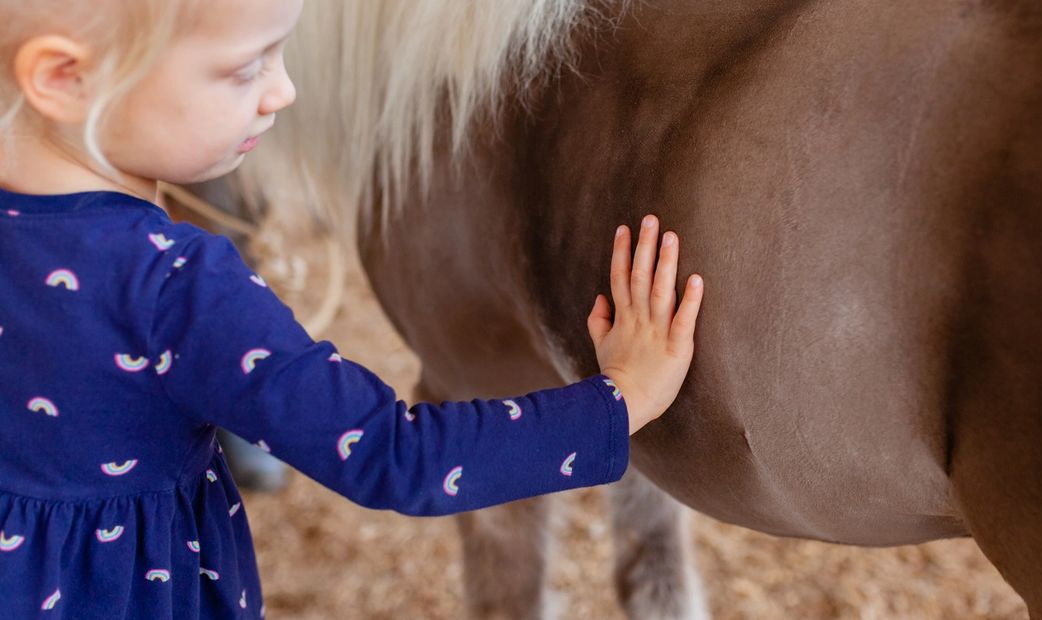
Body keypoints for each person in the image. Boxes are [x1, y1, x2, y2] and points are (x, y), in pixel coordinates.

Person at [0, 0, 705, 617]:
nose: (285, 91)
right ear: (65, 78)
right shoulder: (177, 287)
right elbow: (396, 457)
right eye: (246, 68)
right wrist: (617, 402)